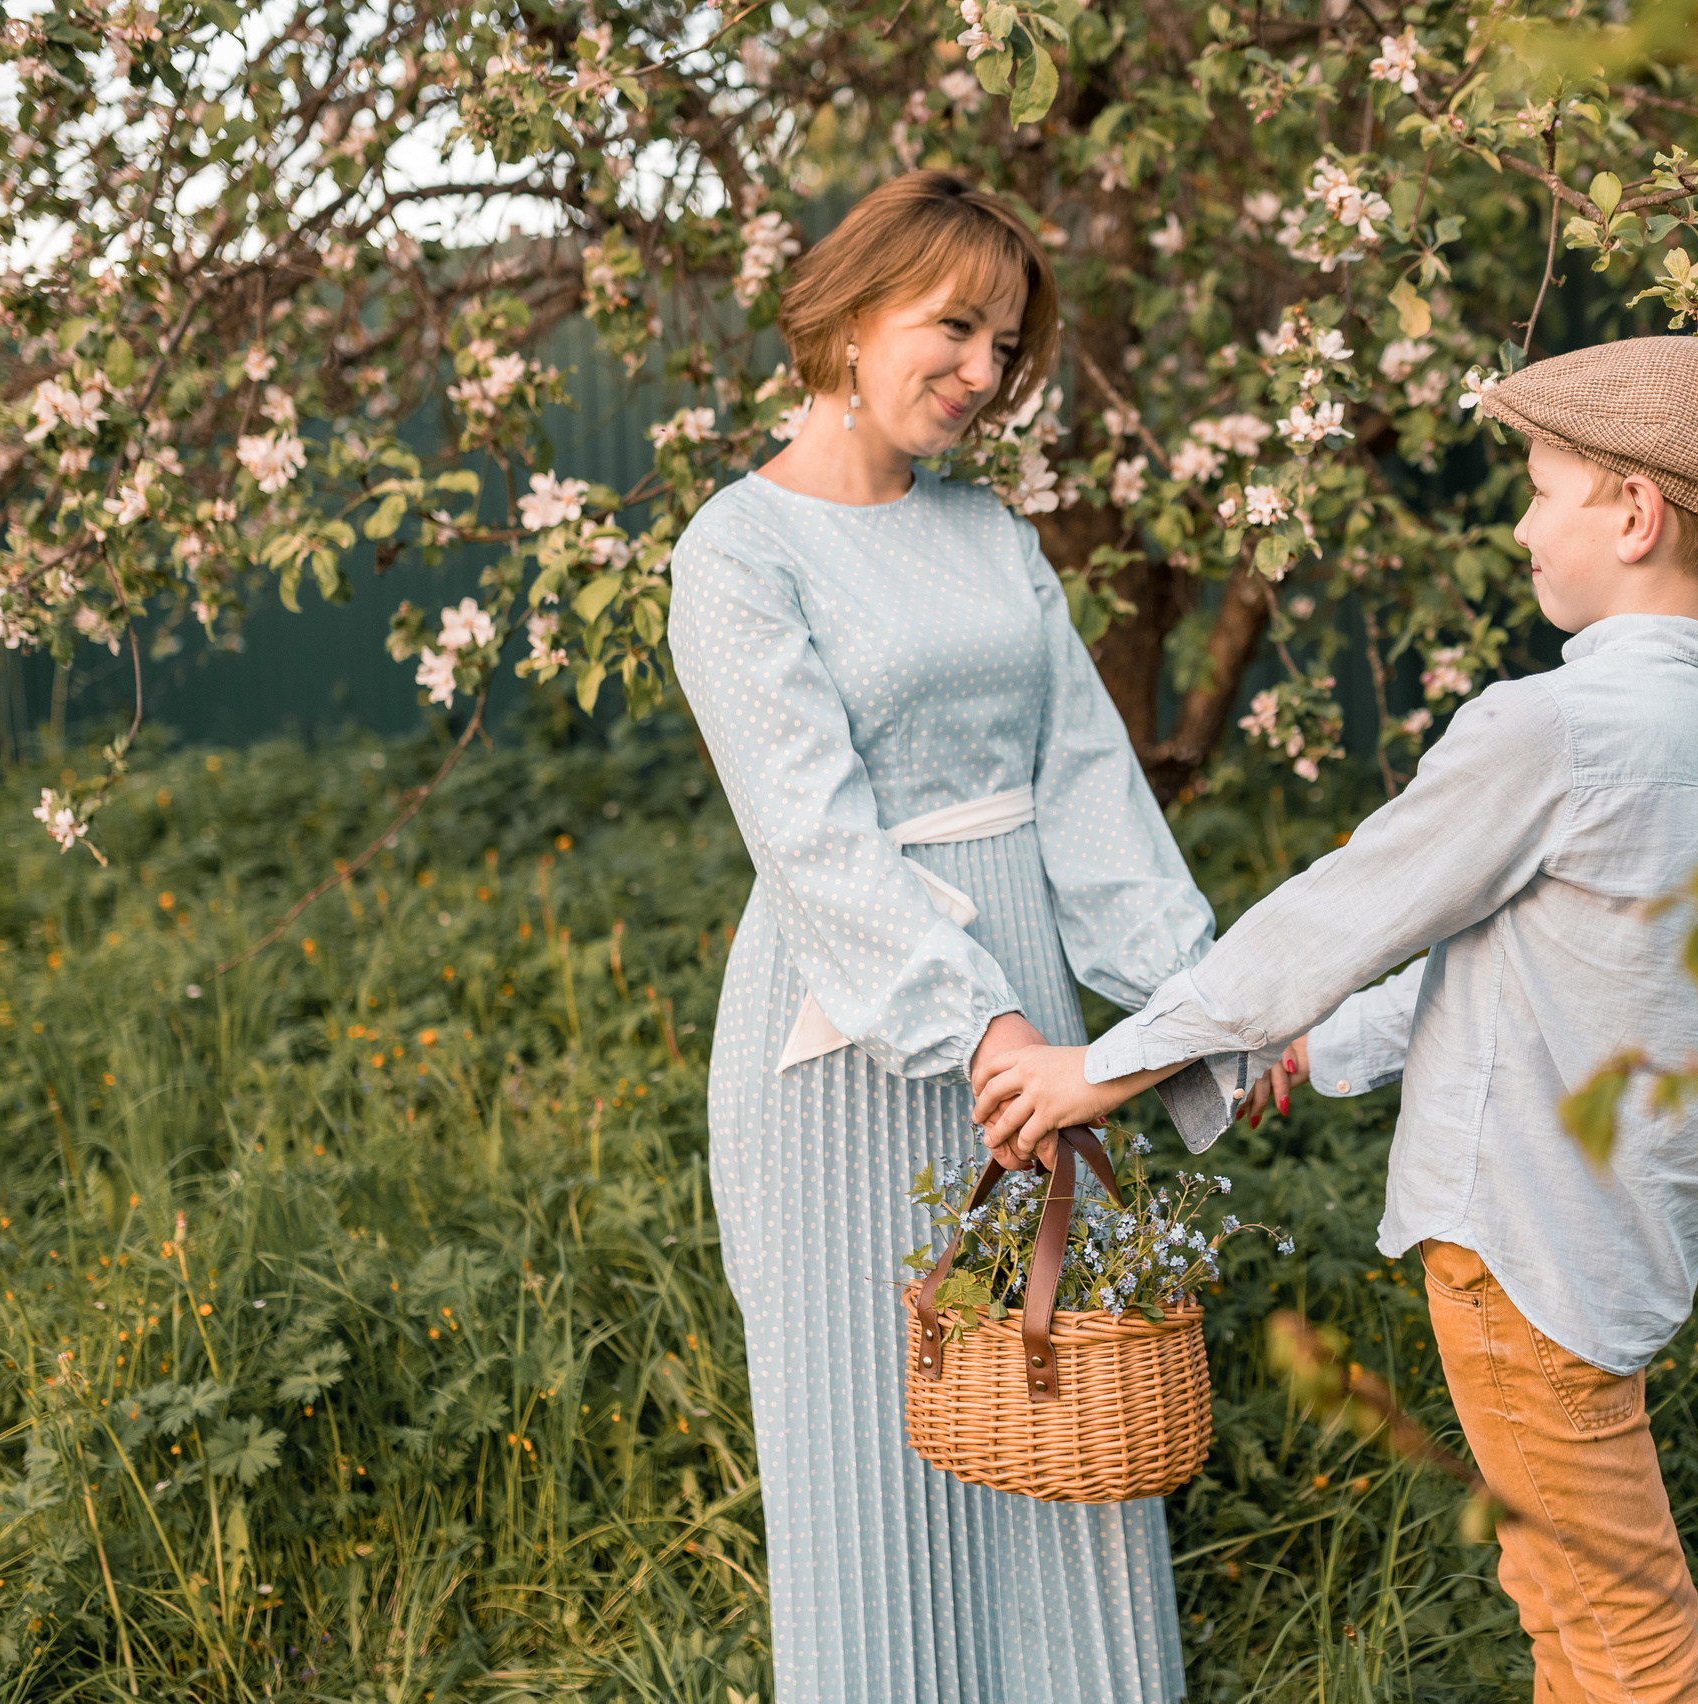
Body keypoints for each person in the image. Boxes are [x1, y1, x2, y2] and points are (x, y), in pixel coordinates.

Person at [971, 335, 1698, 1704]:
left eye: (1544, 490)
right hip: (1622, 1236)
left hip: (1524, 1248)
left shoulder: (1560, 726)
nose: (1524, 524)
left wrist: (1105, 1071)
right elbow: (1532, 955)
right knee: (1578, 1618)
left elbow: (1339, 916)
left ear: (1636, 514)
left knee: (1623, 1652)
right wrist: (1314, 1047)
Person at [664, 170, 1212, 1704]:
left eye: (1006, 347)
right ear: (846, 313)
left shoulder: (992, 535)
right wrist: (976, 1031)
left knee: (1050, 1378)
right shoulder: (735, 552)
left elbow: (1089, 786)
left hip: (1036, 1021)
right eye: (955, 327)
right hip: (853, 1033)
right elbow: (813, 833)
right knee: (871, 1424)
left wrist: (1197, 1011)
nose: (983, 374)